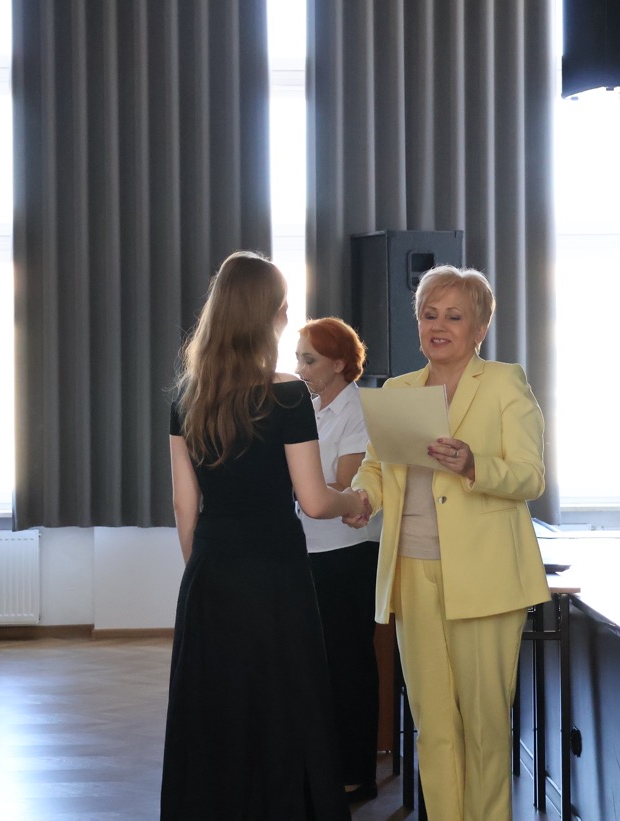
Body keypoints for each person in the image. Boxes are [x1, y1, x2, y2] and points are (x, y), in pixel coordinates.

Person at [161, 251, 368, 821]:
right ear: (272, 316)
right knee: (283, 703)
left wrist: (203, 570)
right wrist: (357, 502)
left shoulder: (187, 396)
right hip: (276, 573)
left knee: (217, 706)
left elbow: (185, 507)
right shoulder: (288, 395)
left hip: (211, 571)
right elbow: (316, 500)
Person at [347, 265, 549, 821]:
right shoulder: (397, 390)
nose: (438, 326)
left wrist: (475, 465)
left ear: (479, 327)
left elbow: (531, 476)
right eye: (429, 314)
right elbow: (376, 467)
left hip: (486, 576)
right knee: (432, 726)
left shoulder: (505, 382)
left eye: (454, 316)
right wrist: (362, 497)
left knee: (485, 726)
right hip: (411, 570)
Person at [294, 317, 382, 803]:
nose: (300, 368)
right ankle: (322, 768)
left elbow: (347, 485)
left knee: (349, 663)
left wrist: (297, 486)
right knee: (317, 666)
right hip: (309, 547)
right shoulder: (307, 408)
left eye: (309, 360)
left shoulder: (358, 409)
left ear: (339, 363)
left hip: (348, 552)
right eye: (298, 358)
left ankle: (356, 772)